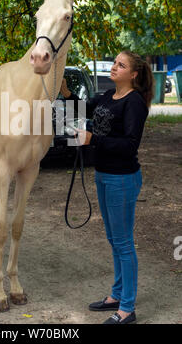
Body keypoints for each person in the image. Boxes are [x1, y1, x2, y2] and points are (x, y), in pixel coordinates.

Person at [61, 51, 154, 324]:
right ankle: (116, 294)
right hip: (103, 175)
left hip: (122, 179)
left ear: (134, 74)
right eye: (114, 62)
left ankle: (127, 308)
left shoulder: (134, 103)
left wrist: (92, 138)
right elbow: (81, 108)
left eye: (121, 65)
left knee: (124, 243)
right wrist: (66, 93)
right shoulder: (106, 96)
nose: (114, 67)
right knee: (115, 240)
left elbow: (129, 146)